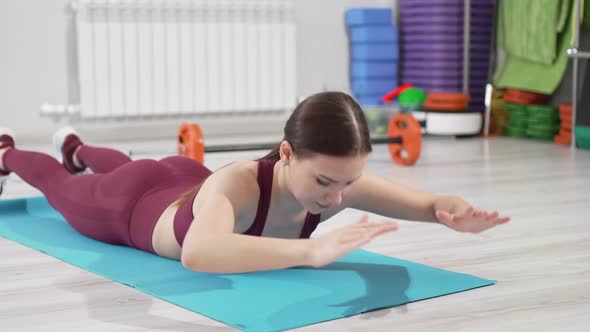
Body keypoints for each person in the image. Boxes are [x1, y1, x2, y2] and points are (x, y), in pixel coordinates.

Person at [0, 92, 509, 274]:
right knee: (57, 184)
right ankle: (9, 152)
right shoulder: (239, 187)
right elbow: (201, 252)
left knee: (130, 161)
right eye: (326, 182)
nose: (337, 197)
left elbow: (426, 204)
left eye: (348, 182)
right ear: (287, 154)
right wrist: (309, 253)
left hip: (183, 177)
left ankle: (79, 148)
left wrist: (452, 209)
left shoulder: (336, 181)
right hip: (128, 206)